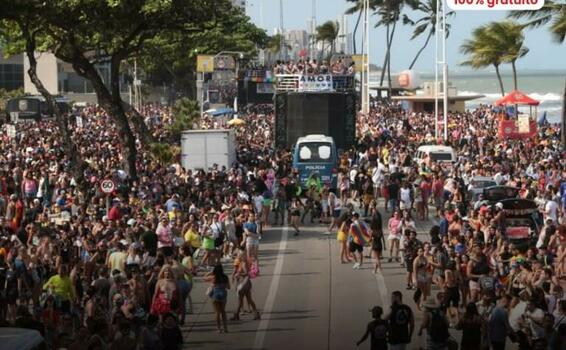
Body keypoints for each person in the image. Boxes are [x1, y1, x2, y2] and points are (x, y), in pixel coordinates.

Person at [230, 248, 260, 321]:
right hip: (246, 283)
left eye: (238, 254)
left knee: (241, 300)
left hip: (243, 283)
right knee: (248, 299)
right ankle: (255, 313)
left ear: (241, 255)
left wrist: (239, 274)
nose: (237, 255)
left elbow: (246, 273)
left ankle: (237, 315)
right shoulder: (242, 262)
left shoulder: (243, 263)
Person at [204, 264, 230, 333]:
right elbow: (228, 287)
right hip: (223, 294)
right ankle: (225, 328)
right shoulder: (225, 277)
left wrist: (210, 272)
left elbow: (204, 278)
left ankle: (219, 329)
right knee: (223, 311)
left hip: (215, 294)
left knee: (217, 312)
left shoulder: (213, 277)